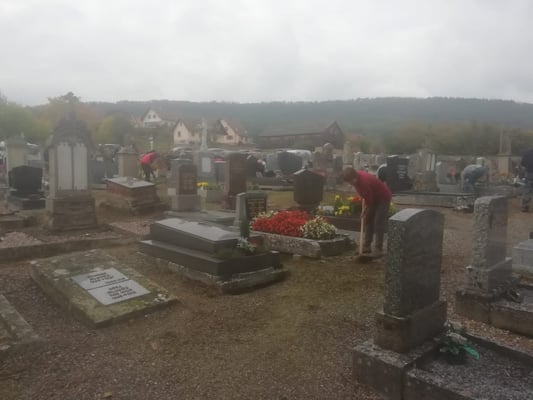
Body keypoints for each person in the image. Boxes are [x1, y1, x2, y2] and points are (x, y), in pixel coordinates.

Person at [343, 167, 392, 257]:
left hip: (383, 198)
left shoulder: (363, 182)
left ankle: (378, 248)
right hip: (374, 197)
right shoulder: (356, 180)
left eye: (350, 181)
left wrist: (365, 210)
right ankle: (367, 246)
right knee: (368, 219)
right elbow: (367, 197)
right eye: (348, 182)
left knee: (378, 222)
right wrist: (366, 211)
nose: (350, 183)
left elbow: (369, 200)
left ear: (354, 177)